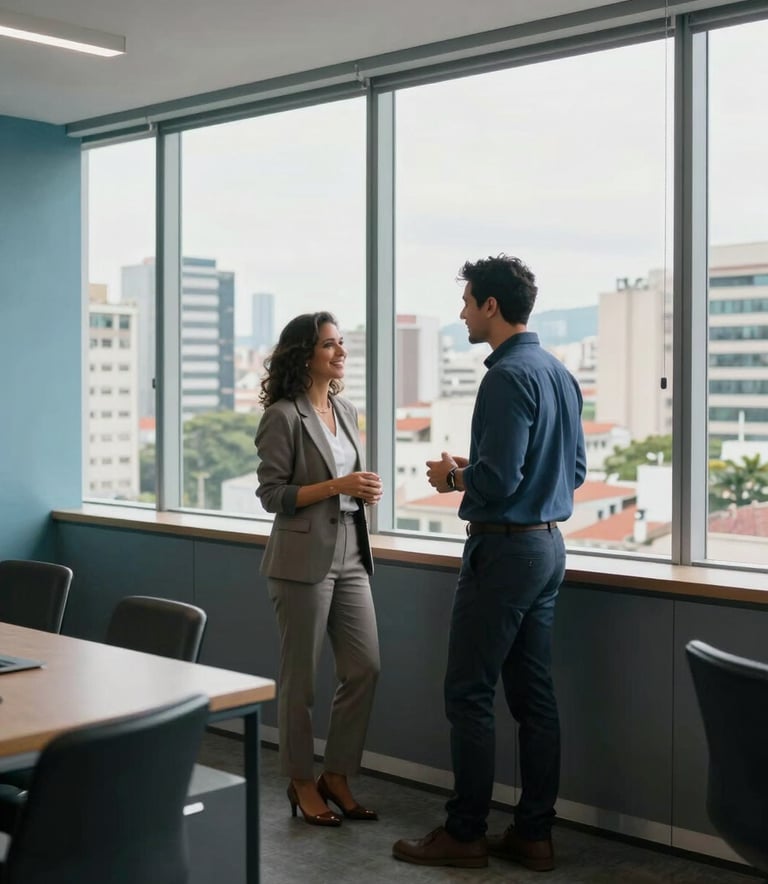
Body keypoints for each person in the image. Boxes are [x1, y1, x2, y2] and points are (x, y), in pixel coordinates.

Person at [393, 255, 586, 870]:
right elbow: (574, 471)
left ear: (491, 308)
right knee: (535, 699)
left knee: (469, 693)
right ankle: (534, 835)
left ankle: (465, 834)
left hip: (505, 550)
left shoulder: (505, 377)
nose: (462, 312)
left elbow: (498, 478)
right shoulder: (558, 372)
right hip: (549, 548)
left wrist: (453, 476)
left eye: (467, 301)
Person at [255, 311, 383, 827]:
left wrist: (361, 490)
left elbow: (346, 479)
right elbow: (272, 495)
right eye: (330, 345)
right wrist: (339, 487)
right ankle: (301, 782)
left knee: (365, 667)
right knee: (300, 681)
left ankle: (337, 775)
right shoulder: (283, 416)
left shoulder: (346, 409)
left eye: (341, 343)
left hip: (352, 550)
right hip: (301, 557)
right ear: (305, 353)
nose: (341, 352)